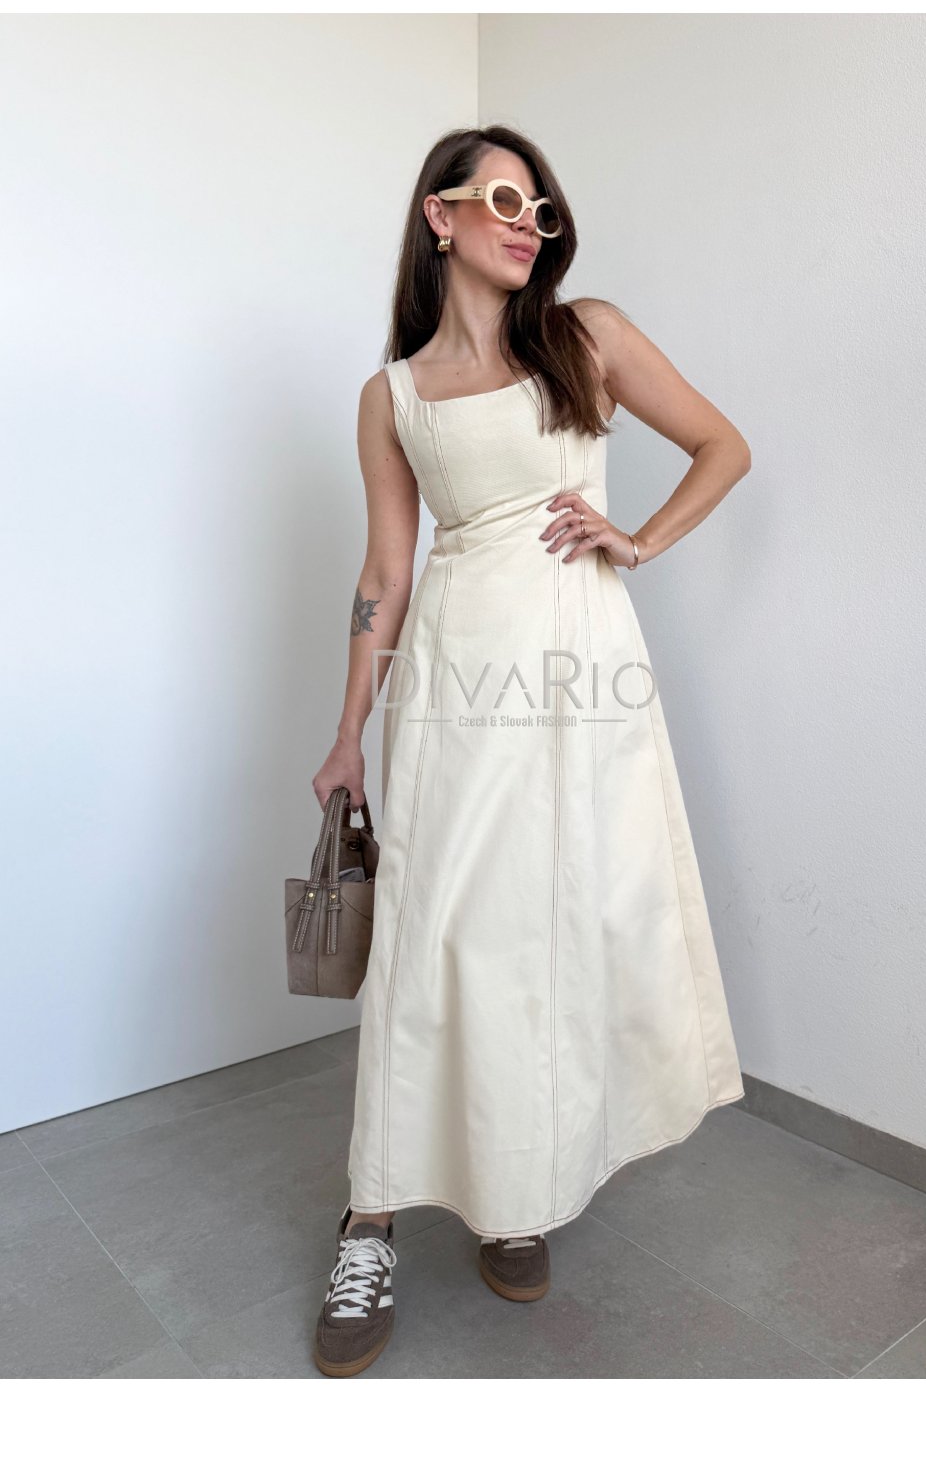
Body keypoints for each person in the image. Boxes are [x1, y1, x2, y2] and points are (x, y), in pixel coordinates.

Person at [310, 124, 751, 1378]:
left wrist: (638, 539)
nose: (527, 224)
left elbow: (723, 446)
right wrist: (347, 732)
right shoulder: (392, 396)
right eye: (504, 199)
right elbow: (386, 571)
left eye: (541, 209)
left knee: (548, 932)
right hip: (456, 681)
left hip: (583, 685)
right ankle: (370, 1219)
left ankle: (515, 1194)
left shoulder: (586, 336)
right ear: (440, 215)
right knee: (433, 936)